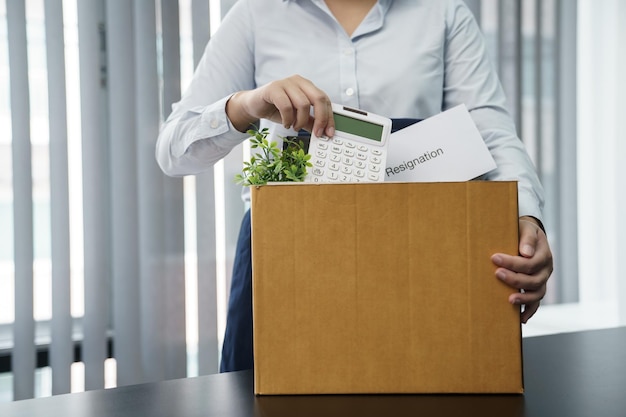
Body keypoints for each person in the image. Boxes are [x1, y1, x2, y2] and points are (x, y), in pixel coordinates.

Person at [156, 0, 554, 373]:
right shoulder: (257, 13)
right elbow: (174, 151)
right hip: (285, 260)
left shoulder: (443, 12)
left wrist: (525, 216)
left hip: (420, 261)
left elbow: (490, 135)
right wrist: (245, 105)